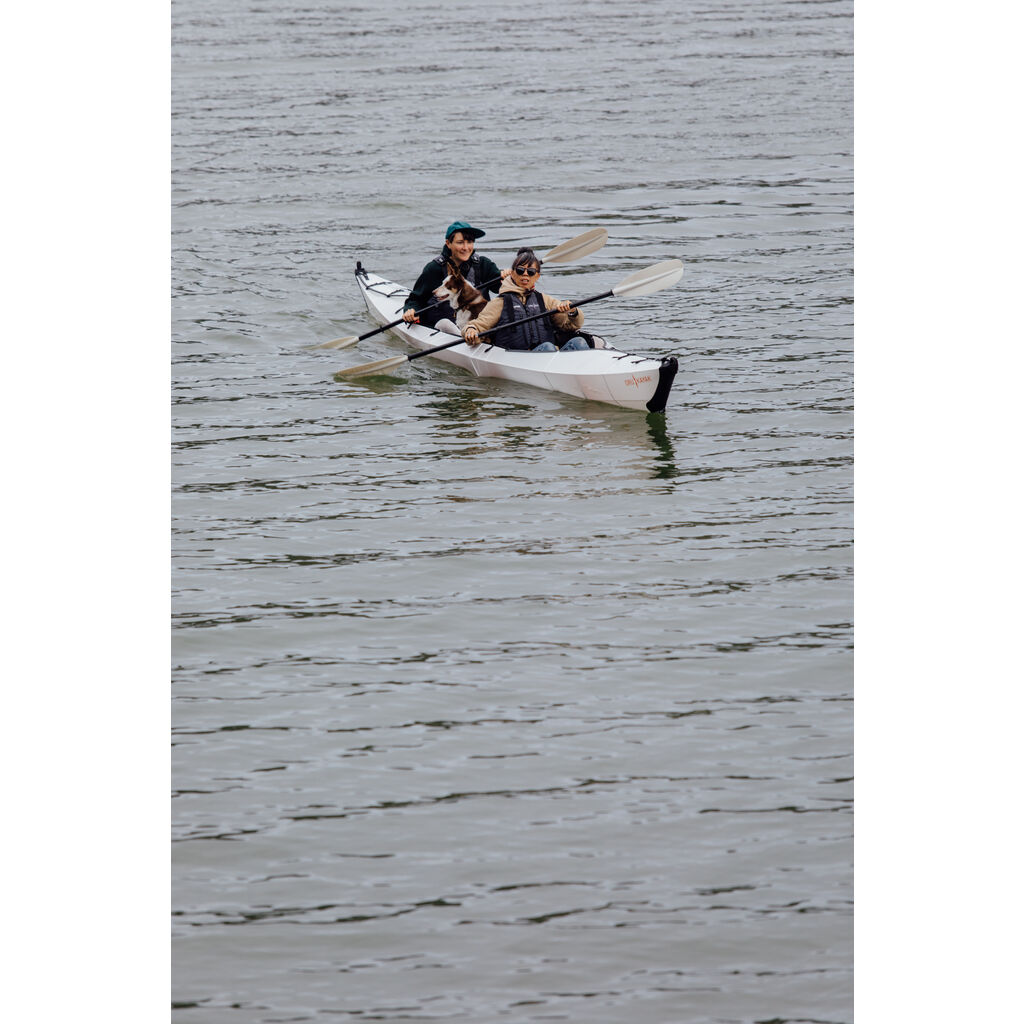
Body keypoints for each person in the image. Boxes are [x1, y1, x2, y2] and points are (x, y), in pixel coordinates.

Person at [462, 247, 588, 351]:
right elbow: (477, 325)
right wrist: (471, 330)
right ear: (512, 273)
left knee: (579, 342)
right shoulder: (500, 303)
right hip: (517, 357)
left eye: (531, 271)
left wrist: (573, 311)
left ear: (537, 276)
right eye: (520, 270)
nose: (525, 274)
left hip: (548, 356)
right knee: (548, 347)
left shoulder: (545, 300)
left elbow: (571, 326)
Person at [402, 222, 510, 335]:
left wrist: (508, 278)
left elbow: (500, 288)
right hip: (442, 330)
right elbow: (416, 299)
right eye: (460, 242)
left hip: (478, 329)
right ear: (448, 243)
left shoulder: (483, 264)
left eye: (470, 242)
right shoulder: (434, 268)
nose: (466, 248)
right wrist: (411, 310)